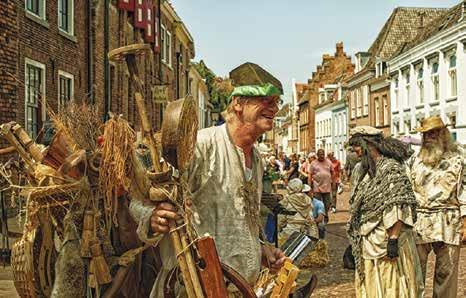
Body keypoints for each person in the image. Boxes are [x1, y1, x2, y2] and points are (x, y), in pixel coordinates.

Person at [129, 83, 286, 297]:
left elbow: (244, 220)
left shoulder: (256, 159)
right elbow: (140, 200)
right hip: (193, 287)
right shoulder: (199, 146)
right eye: (265, 101)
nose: (274, 108)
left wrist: (261, 250)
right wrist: (153, 217)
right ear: (238, 103)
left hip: (242, 289)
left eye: (276, 102)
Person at [346, 126, 423, 298]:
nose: (355, 151)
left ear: (367, 145)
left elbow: (398, 204)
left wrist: (393, 239)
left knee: (391, 284)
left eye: (356, 146)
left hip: (388, 238)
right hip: (368, 239)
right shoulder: (360, 170)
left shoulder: (391, 169)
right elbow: (357, 205)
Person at [407, 116, 466, 298]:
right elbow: (407, 191)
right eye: (426, 134)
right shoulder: (414, 160)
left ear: (444, 133)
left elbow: (464, 190)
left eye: (434, 132)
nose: (430, 137)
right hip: (419, 222)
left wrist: (465, 222)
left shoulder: (459, 158)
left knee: (446, 273)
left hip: (448, 221)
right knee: (415, 273)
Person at [308, 149, 333, 221]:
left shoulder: (328, 162)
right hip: (317, 186)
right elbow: (310, 174)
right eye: (320, 154)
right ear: (317, 155)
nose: (322, 156)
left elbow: (332, 172)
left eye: (323, 154)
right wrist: (309, 185)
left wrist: (334, 183)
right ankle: (319, 216)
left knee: (327, 203)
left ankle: (325, 214)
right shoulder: (313, 163)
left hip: (327, 186)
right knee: (317, 203)